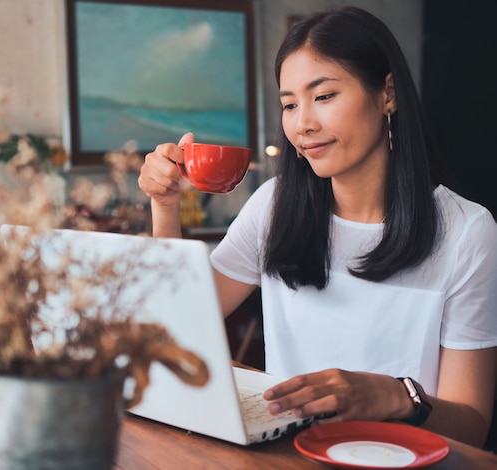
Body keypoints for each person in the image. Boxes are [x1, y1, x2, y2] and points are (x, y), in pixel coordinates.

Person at [137, 6, 497, 448]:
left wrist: (397, 397)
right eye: (290, 104)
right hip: (286, 457)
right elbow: (177, 324)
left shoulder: (466, 232)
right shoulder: (274, 206)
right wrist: (165, 205)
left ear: (387, 94)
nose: (303, 124)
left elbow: (473, 426)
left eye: (323, 96)